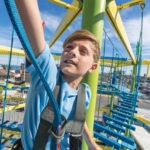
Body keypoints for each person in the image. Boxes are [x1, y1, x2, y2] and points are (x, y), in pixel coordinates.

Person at [13, 0, 102, 150]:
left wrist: (92, 144)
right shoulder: (48, 76)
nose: (72, 52)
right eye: (69, 47)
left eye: (83, 51)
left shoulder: (84, 92)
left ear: (93, 67)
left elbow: (79, 117)